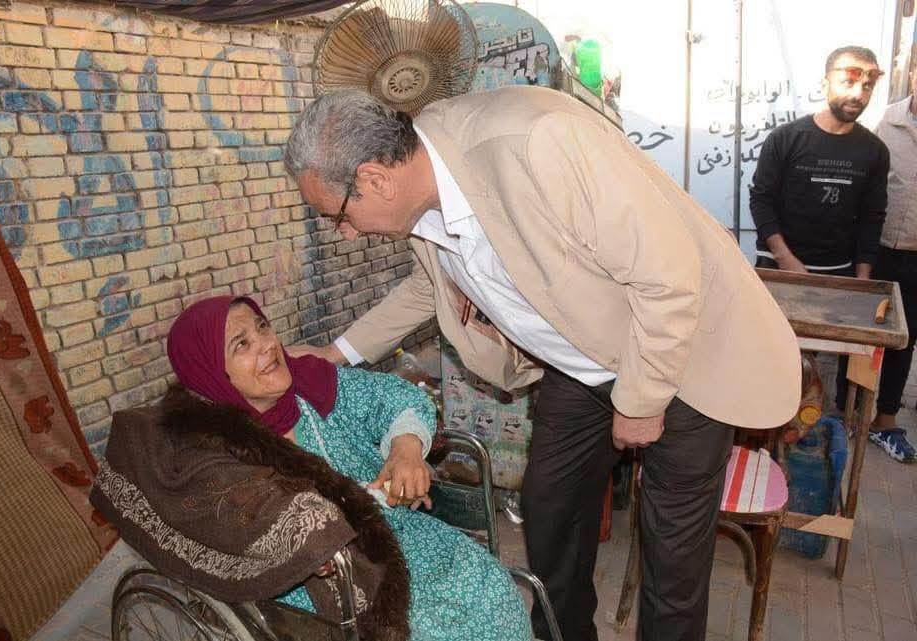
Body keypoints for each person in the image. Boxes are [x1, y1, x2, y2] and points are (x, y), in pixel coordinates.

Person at [284, 86, 801, 641]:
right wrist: (337, 354)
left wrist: (642, 400)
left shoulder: (539, 145)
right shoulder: (423, 181)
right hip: (581, 364)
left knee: (671, 554)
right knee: (551, 508)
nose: (346, 233)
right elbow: (429, 285)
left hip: (679, 358)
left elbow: (668, 276)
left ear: (374, 179)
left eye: (337, 216)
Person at [90, 295, 532, 641]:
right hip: (313, 582)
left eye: (262, 327)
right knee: (433, 629)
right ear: (211, 372)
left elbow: (392, 396)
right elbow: (243, 520)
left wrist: (406, 448)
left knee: (489, 586)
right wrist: (310, 543)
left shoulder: (310, 385)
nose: (266, 345)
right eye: (241, 345)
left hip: (395, 535)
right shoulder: (210, 449)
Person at [749, 45, 890, 414]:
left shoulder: (874, 151)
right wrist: (786, 260)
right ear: (825, 83)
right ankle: (762, 426)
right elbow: (761, 200)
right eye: (848, 81)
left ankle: (814, 431)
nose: (858, 94)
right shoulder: (786, 138)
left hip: (835, 278)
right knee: (771, 358)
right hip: (779, 271)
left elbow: (872, 217)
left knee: (821, 375)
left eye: (868, 86)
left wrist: (862, 282)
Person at [870, 67, 917, 462]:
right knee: (864, 334)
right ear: (914, 76)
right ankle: (847, 413)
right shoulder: (886, 121)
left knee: (905, 338)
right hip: (877, 248)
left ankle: (884, 421)